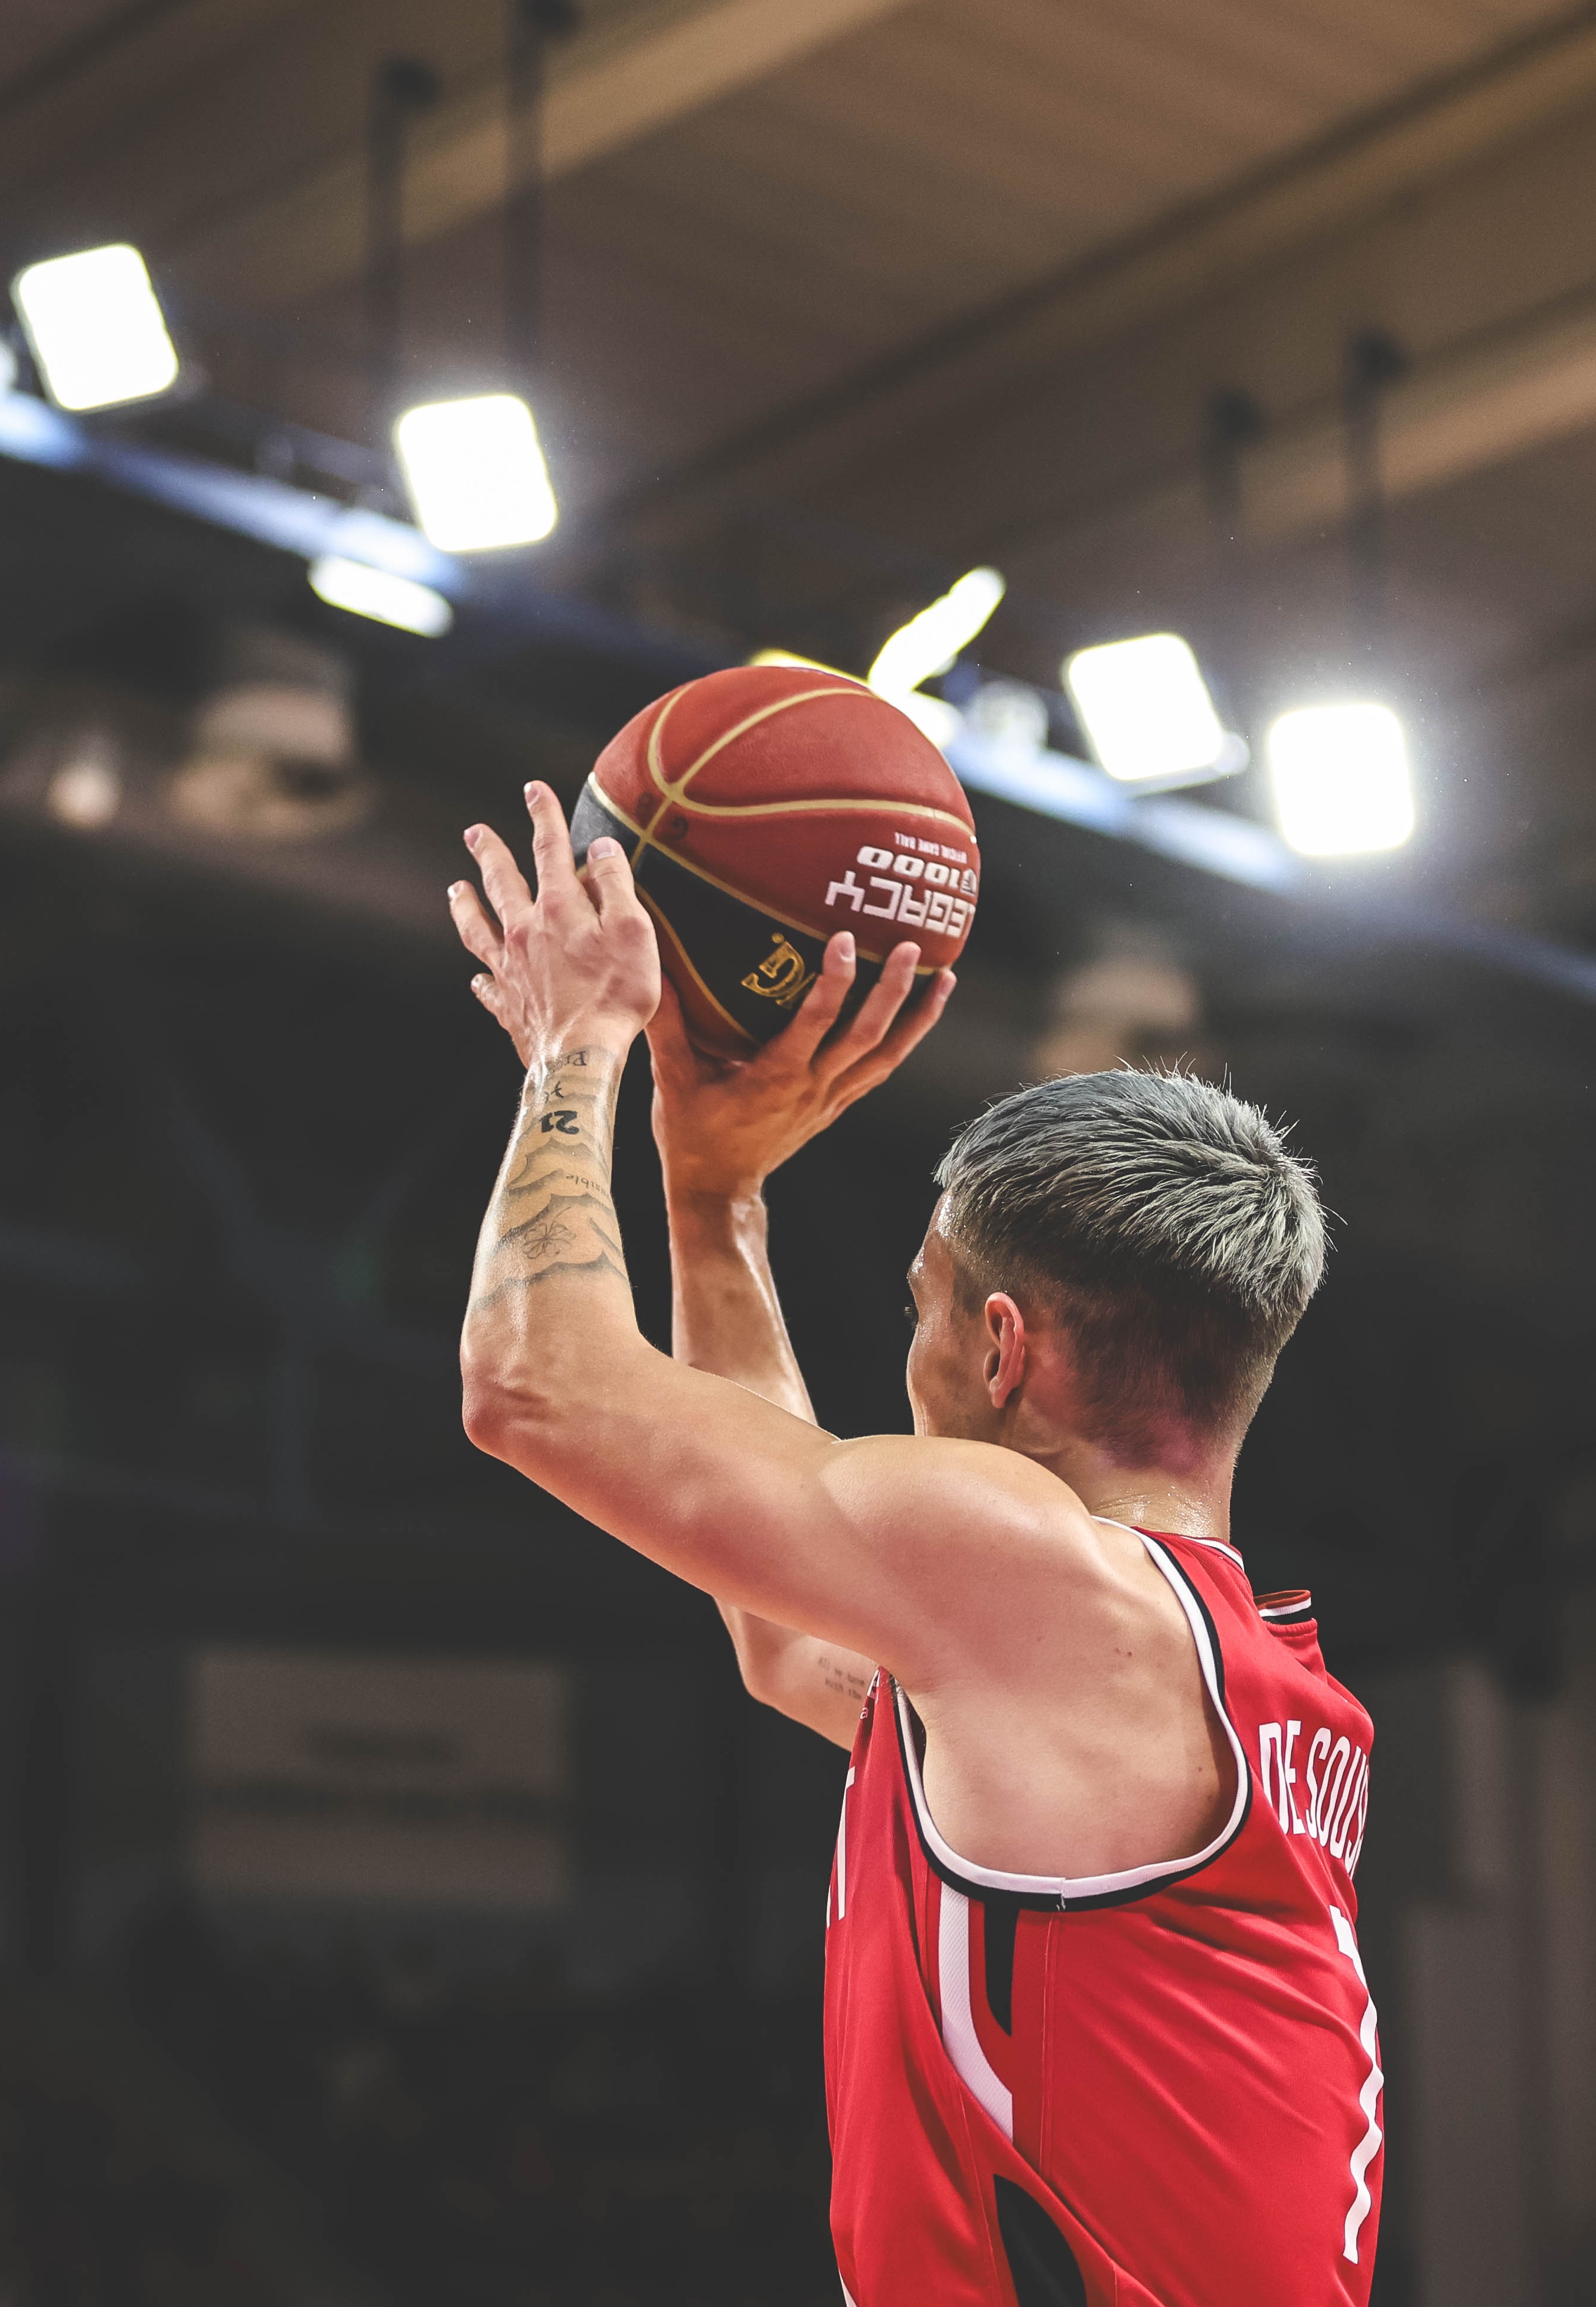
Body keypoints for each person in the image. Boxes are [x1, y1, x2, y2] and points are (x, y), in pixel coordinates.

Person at [448, 786, 1383, 2307]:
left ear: (1002, 1348)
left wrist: (580, 1039)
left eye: (920, 1307)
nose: (914, 1351)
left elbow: (532, 1385)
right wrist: (711, 1196)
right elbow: (783, 1636)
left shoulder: (1042, 1575)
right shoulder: (1205, 1673)